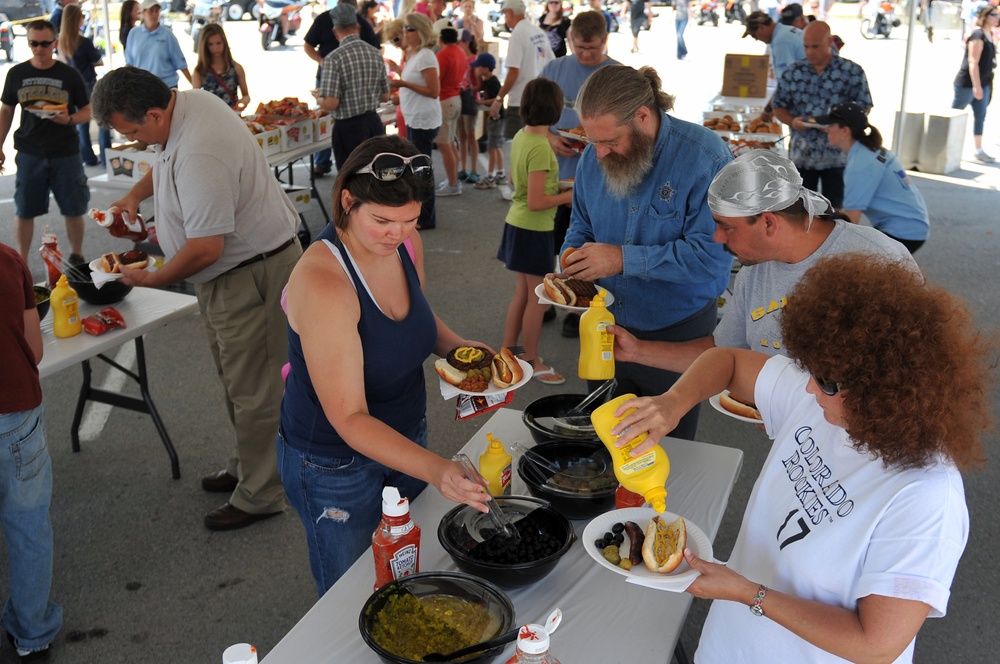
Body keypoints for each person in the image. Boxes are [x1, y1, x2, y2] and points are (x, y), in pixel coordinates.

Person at [607, 253, 992, 663]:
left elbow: (876, 644)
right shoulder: (827, 397)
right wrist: (673, 403)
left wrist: (745, 592)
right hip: (728, 647)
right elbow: (730, 360)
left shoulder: (927, 495)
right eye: (810, 369)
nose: (808, 388)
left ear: (882, 390)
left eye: (824, 381)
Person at [277, 135, 492, 595]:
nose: (397, 234)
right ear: (347, 200)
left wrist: (462, 351)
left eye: (411, 220)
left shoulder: (405, 244)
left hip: (404, 433)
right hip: (334, 463)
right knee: (353, 591)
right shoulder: (324, 282)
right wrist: (436, 469)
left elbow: (418, 315)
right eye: (382, 221)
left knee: (408, 568)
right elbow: (350, 418)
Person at [92, 66, 303, 531]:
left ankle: (262, 492)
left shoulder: (200, 148)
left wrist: (152, 279)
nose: (135, 142)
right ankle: (249, 466)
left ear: (153, 112)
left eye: (132, 132)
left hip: (250, 273)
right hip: (231, 274)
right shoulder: (185, 105)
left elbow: (207, 247)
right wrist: (134, 195)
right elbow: (164, 159)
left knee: (258, 390)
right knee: (238, 381)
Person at [609, 149, 916, 375]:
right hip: (797, 443)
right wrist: (637, 350)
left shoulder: (878, 260)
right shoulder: (753, 274)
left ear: (769, 222)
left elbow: (912, 365)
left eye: (726, 226)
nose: (716, 237)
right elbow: (723, 351)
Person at [561, 64, 732, 440]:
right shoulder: (595, 155)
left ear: (642, 116)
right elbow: (581, 225)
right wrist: (570, 257)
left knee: (670, 447)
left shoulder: (705, 159)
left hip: (676, 332)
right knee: (608, 438)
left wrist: (622, 259)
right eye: (593, 142)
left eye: (610, 142)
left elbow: (711, 258)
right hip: (604, 325)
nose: (600, 154)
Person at [0, 244, 63, 663]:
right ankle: (32, 634)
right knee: (28, 527)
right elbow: (35, 352)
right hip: (15, 416)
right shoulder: (8, 260)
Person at [539, 9, 617, 336]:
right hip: (557, 174)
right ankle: (552, 296)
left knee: (589, 243)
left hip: (602, 178)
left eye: (593, 49)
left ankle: (579, 307)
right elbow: (536, 116)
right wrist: (549, 135)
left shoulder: (617, 74)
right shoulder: (554, 69)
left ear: (605, 41)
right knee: (555, 240)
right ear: (570, 40)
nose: (586, 55)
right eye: (580, 48)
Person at [498, 78, 574, 385]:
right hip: (534, 229)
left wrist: (558, 188)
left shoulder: (521, 136)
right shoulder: (542, 147)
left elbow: (520, 185)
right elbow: (537, 200)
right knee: (538, 298)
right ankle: (531, 359)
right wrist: (571, 195)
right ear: (555, 110)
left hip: (517, 223)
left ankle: (508, 352)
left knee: (523, 294)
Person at [0, 19, 91, 265]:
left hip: (66, 152)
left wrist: (70, 118)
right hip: (30, 151)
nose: (39, 49)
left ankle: (77, 255)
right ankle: (22, 262)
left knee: (74, 208)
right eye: (33, 43)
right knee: (24, 209)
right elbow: (6, 110)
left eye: (44, 43)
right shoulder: (16, 73)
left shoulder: (68, 74)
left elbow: (88, 109)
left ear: (55, 43)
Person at [771, 20, 871, 209]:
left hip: (838, 156)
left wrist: (841, 126)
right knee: (800, 212)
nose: (810, 52)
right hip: (802, 156)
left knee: (836, 213)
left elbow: (864, 107)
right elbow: (779, 107)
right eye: (806, 47)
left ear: (829, 42)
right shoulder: (793, 72)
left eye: (815, 47)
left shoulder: (851, 72)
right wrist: (792, 121)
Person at [819, 102, 930, 254]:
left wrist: (817, 227)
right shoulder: (870, 150)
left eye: (830, 125)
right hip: (914, 225)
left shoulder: (860, 166)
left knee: (848, 266)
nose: (826, 130)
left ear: (845, 130)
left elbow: (851, 219)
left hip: (903, 232)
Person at [304, 0, 381, 177]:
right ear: (358, 27)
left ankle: (350, 202)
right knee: (373, 175)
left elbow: (331, 103)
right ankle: (322, 161)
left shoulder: (333, 58)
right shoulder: (372, 52)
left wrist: (319, 98)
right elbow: (384, 96)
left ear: (334, 31)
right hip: (372, 120)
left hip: (348, 126)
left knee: (351, 177)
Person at [389, 13, 440, 229]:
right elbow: (414, 82)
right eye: (405, 28)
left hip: (423, 119)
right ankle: (422, 215)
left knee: (421, 170)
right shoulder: (417, 54)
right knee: (417, 168)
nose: (404, 33)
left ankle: (427, 217)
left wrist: (403, 85)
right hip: (415, 117)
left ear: (420, 32)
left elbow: (433, 91)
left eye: (409, 29)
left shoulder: (426, 55)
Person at [489, 0, 554, 142]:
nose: (505, 18)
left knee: (518, 148)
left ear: (510, 13)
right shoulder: (537, 31)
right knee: (536, 146)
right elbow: (552, 63)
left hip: (521, 101)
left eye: (505, 14)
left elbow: (513, 71)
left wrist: (499, 99)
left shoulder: (518, 33)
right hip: (540, 99)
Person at [59, 4, 111, 167]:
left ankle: (88, 157)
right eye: (81, 16)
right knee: (102, 118)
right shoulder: (84, 42)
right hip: (88, 82)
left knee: (82, 122)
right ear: (77, 19)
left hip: (72, 86)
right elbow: (98, 60)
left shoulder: (61, 42)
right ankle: (106, 156)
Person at [951, 5, 998, 163]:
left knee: (980, 117)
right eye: (994, 14)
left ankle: (978, 150)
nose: (997, 17)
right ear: (985, 16)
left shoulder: (990, 34)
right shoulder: (978, 35)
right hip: (967, 84)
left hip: (984, 82)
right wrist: (976, 86)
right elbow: (972, 62)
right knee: (955, 115)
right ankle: (945, 145)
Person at [125, 0, 192, 89]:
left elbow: (181, 63)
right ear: (143, 12)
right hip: (142, 87)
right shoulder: (134, 33)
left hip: (166, 86)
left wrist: (195, 85)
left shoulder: (167, 35)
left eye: (157, 11)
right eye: (151, 11)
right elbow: (129, 62)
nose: (154, 14)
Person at [434, 23, 467, 196]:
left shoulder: (442, 55)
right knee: (450, 142)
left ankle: (453, 184)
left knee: (444, 143)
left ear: (441, 39)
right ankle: (453, 179)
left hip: (445, 100)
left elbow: (435, 79)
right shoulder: (460, 52)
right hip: (455, 98)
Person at [192, 24, 250, 112]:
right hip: (211, 119)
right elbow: (195, 100)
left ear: (224, 42)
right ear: (204, 46)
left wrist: (244, 101)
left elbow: (246, 95)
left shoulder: (236, 68)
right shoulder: (199, 71)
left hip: (233, 116)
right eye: (210, 44)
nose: (215, 48)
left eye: (218, 43)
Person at [473, 53, 506, 189]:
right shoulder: (487, 80)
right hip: (495, 117)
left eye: (478, 67)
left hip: (496, 117)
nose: (476, 69)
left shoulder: (493, 82)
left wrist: (481, 101)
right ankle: (501, 174)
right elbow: (478, 88)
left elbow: (498, 98)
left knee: (492, 148)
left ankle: (490, 177)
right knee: (496, 146)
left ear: (486, 68)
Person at [742, 10, 805, 82]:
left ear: (761, 28)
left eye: (754, 36)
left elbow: (785, 79)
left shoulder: (781, 41)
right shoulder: (784, 31)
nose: (756, 39)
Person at [456, 29, 481, 185]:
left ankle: (474, 170)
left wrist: (469, 88)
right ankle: (463, 168)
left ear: (466, 42)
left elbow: (479, 84)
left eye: (459, 42)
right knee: (462, 136)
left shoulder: (473, 59)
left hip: (470, 99)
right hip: (458, 98)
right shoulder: (459, 58)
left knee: (471, 135)